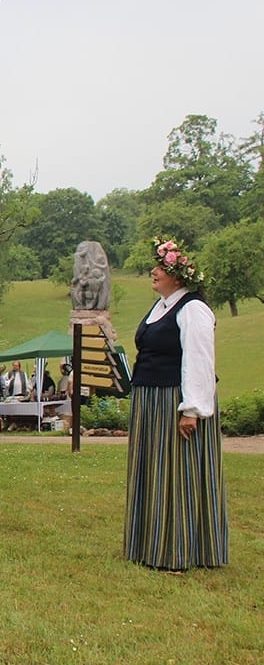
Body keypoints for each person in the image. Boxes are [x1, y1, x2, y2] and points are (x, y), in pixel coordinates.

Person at [124, 237, 226, 570]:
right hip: (151, 397)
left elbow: (199, 359)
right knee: (154, 471)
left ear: (178, 276)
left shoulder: (193, 308)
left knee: (176, 473)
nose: (153, 271)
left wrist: (192, 409)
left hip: (173, 399)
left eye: (161, 268)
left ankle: (178, 549)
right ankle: (148, 543)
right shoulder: (161, 307)